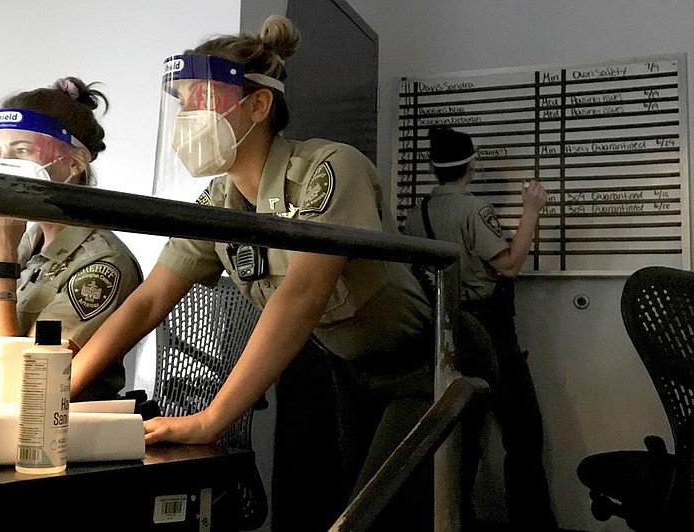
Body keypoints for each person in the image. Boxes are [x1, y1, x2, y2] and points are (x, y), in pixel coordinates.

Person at [69, 15, 495, 531]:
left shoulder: (329, 168)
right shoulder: (218, 204)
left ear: (259, 104)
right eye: (182, 102)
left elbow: (303, 294)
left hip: (430, 361)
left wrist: (213, 419)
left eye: (201, 99)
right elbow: (148, 302)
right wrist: (58, 389)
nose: (188, 117)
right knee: (356, 509)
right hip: (351, 370)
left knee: (391, 513)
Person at [403, 126, 558, 531]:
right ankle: (533, 524)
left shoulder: (416, 214)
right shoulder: (473, 209)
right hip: (491, 329)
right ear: (471, 165)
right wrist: (531, 210)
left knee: (462, 438)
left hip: (444, 330)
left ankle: (456, 521)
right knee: (524, 434)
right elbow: (507, 264)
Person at [0, 77, 143, 402]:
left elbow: (12, 386)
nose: (4, 164)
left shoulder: (102, 264)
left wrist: (0, 263)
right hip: (1, 428)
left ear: (74, 163)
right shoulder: (32, 242)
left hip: (63, 434)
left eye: (23, 150)